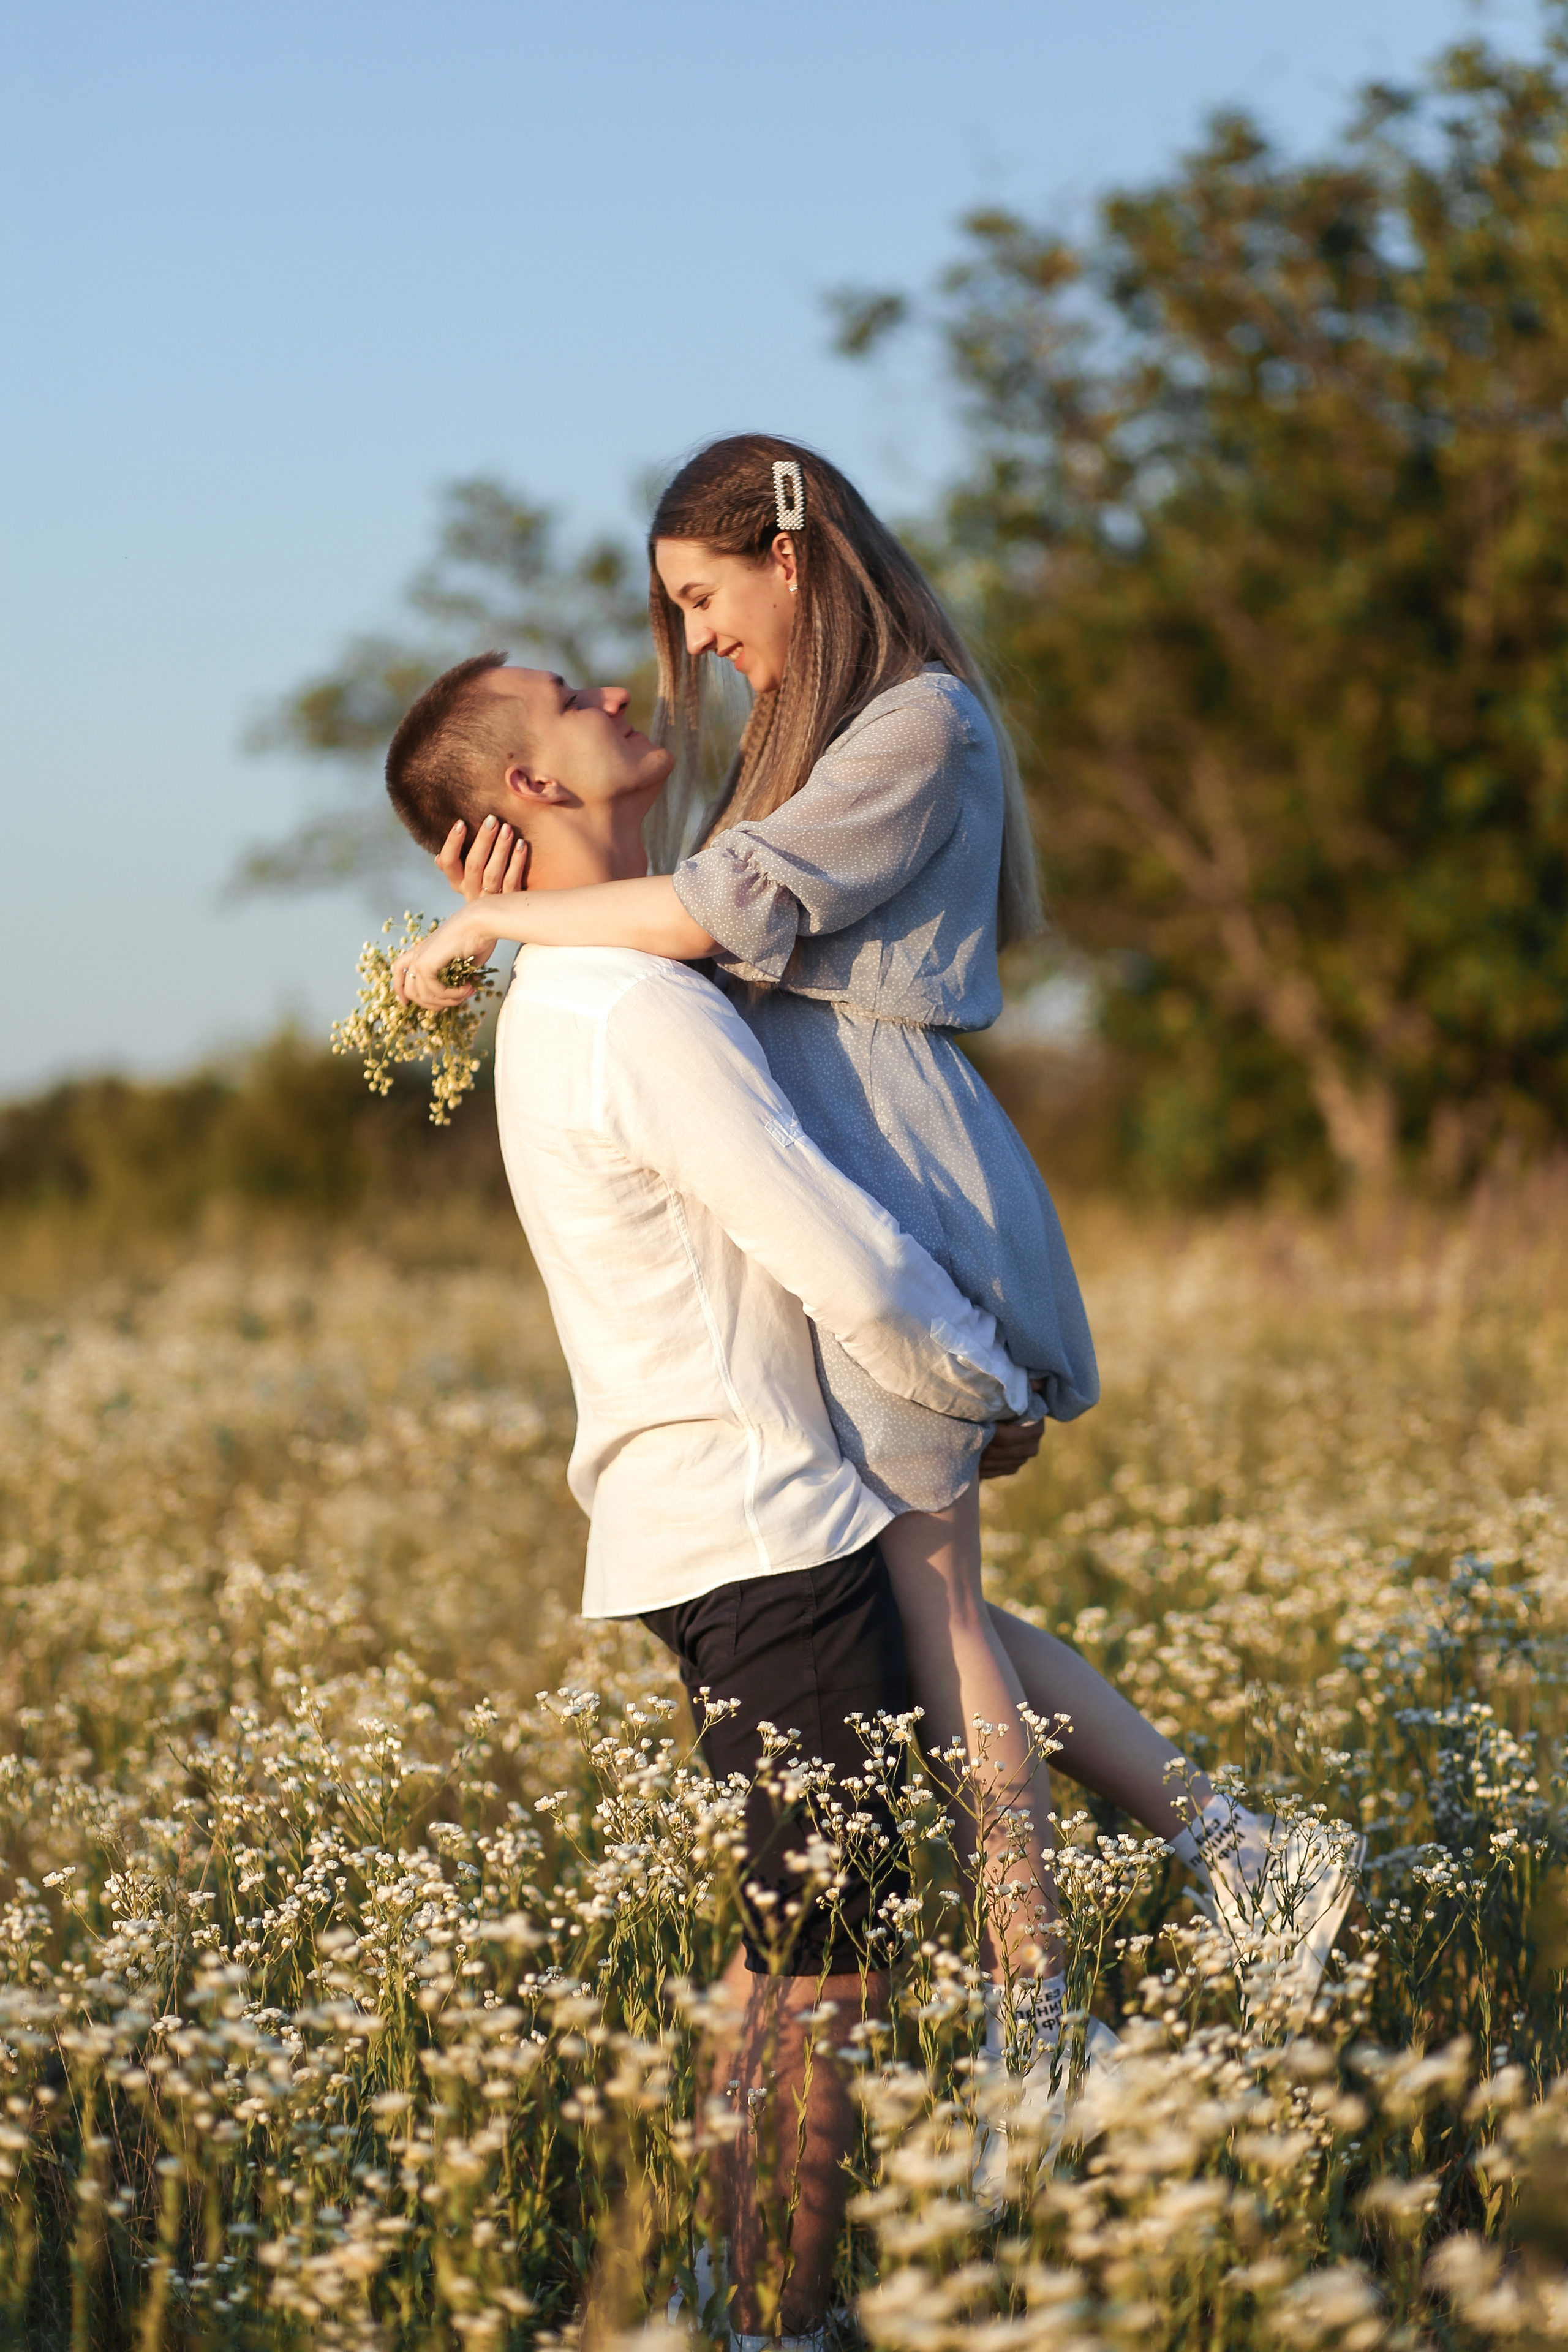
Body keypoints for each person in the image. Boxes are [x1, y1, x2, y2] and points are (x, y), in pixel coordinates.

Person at [393, 439, 1363, 2010]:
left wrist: (497, 920)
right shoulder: (807, 737)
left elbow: (706, 922)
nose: (690, 643)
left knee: (933, 1608)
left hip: (891, 1189)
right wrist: (499, 929)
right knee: (934, 1610)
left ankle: (1031, 2002)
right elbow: (662, 954)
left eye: (702, 598)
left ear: (789, 556)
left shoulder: (913, 727)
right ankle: (1236, 1849)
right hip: (850, 1188)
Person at [380, 652, 1041, 2344]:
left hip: (697, 1532)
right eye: (569, 698)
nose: (617, 681)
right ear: (529, 795)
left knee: (784, 1943)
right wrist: (983, 1380)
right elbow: (836, 1254)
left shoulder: (575, 992)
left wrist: (472, 949)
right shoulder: (639, 1009)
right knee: (828, 1970)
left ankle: (739, 2280)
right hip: (770, 1532)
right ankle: (778, 2312)